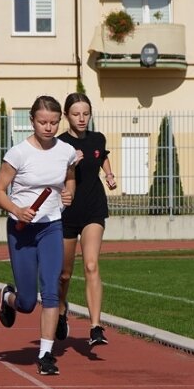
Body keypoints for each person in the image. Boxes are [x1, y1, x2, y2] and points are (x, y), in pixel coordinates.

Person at [0, 95, 76, 375]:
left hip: (51, 226)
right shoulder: (19, 153)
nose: (48, 127)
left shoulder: (66, 151)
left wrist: (69, 193)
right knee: (27, 302)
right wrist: (17, 209)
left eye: (53, 122)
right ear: (32, 121)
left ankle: (46, 354)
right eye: (42, 122)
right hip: (22, 230)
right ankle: (8, 298)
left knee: (51, 289)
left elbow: (70, 176)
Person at [56, 92, 117, 347]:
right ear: (66, 116)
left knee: (91, 265)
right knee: (65, 274)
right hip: (67, 213)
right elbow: (49, 175)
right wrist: (69, 165)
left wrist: (109, 174)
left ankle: (95, 327)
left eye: (86, 113)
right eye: (76, 114)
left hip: (94, 208)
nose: (82, 119)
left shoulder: (97, 138)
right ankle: (60, 312)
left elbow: (101, 155)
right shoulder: (58, 144)